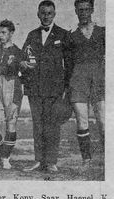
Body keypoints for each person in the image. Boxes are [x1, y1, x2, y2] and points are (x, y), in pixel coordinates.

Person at [20, 0, 71, 173]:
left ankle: (51, 161)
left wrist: (65, 89)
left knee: (52, 125)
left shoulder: (63, 34)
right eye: (43, 13)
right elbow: (24, 57)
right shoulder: (32, 34)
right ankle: (38, 160)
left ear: (54, 14)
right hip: (35, 88)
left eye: (49, 13)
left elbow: (69, 64)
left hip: (54, 89)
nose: (46, 16)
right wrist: (24, 65)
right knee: (38, 126)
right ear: (38, 14)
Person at [69, 0, 105, 170]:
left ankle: (107, 158)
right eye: (80, 10)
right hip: (78, 80)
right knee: (82, 121)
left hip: (99, 79)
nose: (83, 13)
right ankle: (86, 161)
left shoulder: (103, 32)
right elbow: (67, 65)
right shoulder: (71, 36)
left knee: (103, 121)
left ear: (92, 10)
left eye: (86, 9)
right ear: (76, 11)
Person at [0, 20, 23, 169]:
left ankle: (5, 159)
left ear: (11, 33)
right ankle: (2, 155)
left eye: (4, 33)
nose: (1, 35)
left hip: (12, 85)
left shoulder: (17, 51)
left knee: (11, 124)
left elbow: (26, 71)